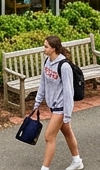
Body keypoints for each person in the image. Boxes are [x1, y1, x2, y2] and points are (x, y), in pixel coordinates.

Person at [34, 35, 84, 170]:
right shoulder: (47, 62)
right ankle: (77, 161)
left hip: (61, 107)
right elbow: (43, 83)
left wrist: (67, 114)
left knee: (49, 136)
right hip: (53, 105)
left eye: (46, 47)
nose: (43, 49)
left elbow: (69, 92)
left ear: (54, 49)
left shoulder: (64, 66)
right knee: (67, 131)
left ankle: (45, 168)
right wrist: (38, 101)